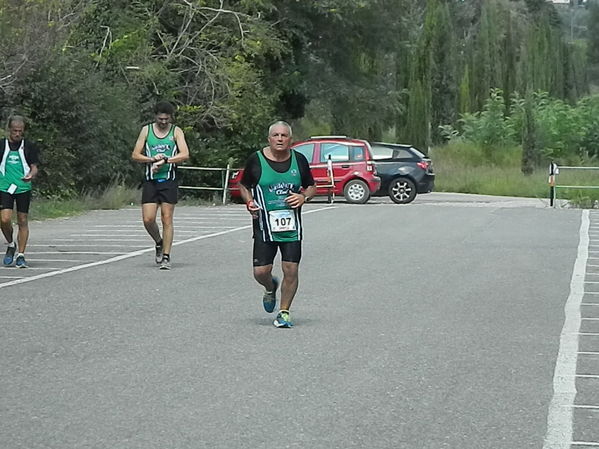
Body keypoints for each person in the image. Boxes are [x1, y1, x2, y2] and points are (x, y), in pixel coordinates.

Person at [239, 121, 316, 328]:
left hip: (291, 228)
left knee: (291, 269)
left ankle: (284, 312)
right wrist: (249, 202)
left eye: (284, 135)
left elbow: (311, 186)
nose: (280, 139)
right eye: (276, 135)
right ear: (269, 139)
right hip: (264, 225)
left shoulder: (299, 161)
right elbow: (244, 185)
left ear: (290, 139)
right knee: (260, 272)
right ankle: (270, 286)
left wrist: (303, 198)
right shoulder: (256, 160)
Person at [131, 101, 190, 270]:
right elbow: (135, 154)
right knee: (148, 219)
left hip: (169, 180)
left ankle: (166, 256)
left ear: (170, 117)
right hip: (151, 180)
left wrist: (166, 160)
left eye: (166, 119)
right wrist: (151, 159)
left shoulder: (176, 131)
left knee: (166, 218)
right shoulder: (146, 130)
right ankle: (159, 242)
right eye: (160, 118)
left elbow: (185, 154)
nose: (163, 122)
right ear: (155, 116)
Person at [0, 115, 40, 268]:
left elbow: (34, 166)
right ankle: (11, 244)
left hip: (23, 188)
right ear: (9, 130)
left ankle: (21, 255)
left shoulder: (28, 146)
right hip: (4, 187)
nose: (17, 134)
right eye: (15, 131)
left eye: (20, 131)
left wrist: (31, 174)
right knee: (4, 219)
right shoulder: (2, 145)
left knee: (22, 220)